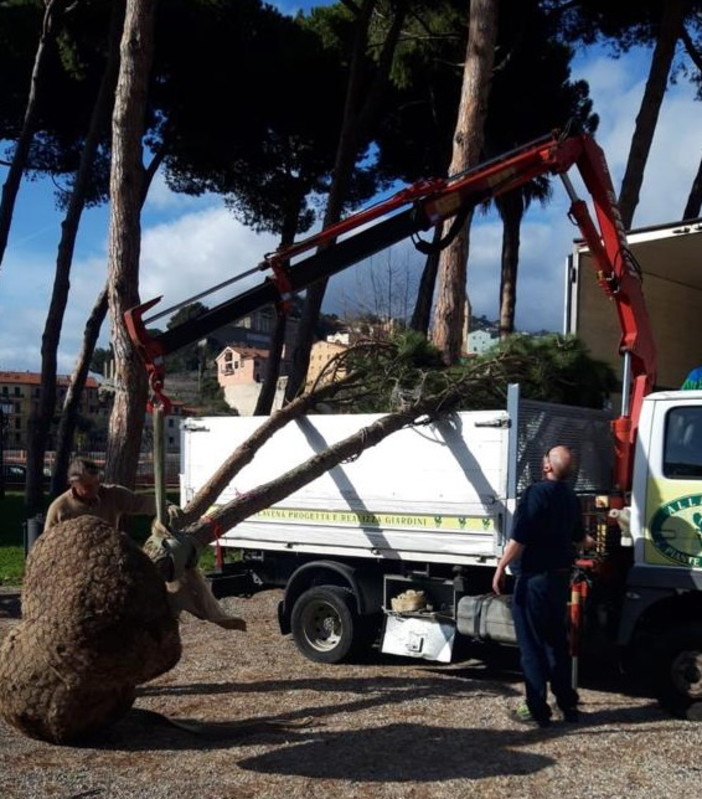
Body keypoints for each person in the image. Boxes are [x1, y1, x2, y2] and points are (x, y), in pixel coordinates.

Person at [492, 445, 592, 728]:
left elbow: (520, 538)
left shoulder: (536, 493)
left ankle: (536, 709)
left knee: (532, 647)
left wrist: (501, 566)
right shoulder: (572, 498)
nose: (543, 460)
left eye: (545, 457)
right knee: (555, 644)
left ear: (548, 466)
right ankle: (567, 705)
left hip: (534, 580)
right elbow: (579, 538)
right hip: (559, 580)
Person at [44, 457, 175, 532]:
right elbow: (47, 543)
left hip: (108, 558)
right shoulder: (59, 508)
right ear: (73, 484)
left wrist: (166, 506)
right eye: (87, 487)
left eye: (97, 483)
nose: (95, 489)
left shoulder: (112, 494)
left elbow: (139, 502)